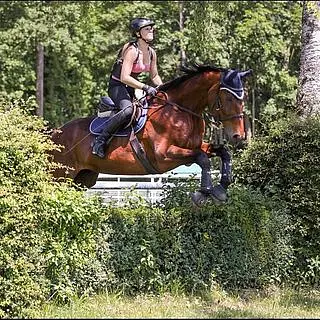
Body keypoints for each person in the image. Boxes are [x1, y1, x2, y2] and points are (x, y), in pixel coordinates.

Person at [92, 17, 163, 158]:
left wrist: (164, 90)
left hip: (132, 87)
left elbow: (154, 76)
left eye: (152, 28)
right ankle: (99, 141)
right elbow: (124, 77)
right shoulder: (132, 50)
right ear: (138, 33)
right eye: (147, 29)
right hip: (118, 86)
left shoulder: (151, 53)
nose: (151, 30)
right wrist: (145, 87)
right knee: (128, 110)